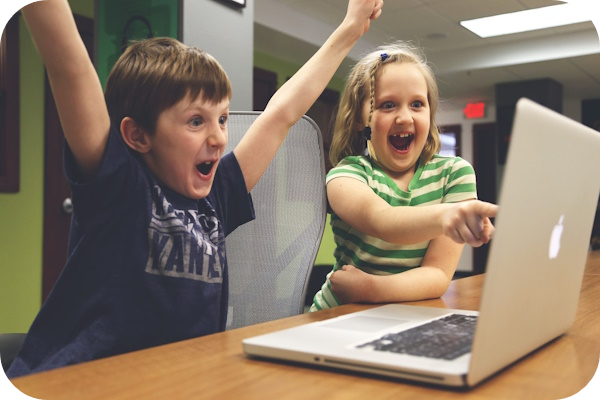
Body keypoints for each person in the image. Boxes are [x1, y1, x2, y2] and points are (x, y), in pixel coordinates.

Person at [7, 0, 383, 378]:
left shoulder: (217, 196)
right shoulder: (118, 185)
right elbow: (68, 68)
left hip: (176, 379)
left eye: (221, 118)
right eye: (196, 122)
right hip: (78, 382)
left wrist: (351, 27)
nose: (220, 138)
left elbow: (281, 114)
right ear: (137, 135)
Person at [310, 41, 498, 312]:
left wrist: (372, 289)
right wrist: (448, 216)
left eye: (417, 104)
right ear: (359, 119)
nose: (404, 117)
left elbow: (437, 275)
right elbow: (384, 221)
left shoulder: (455, 174)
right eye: (388, 105)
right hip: (338, 315)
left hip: (404, 316)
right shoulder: (345, 176)